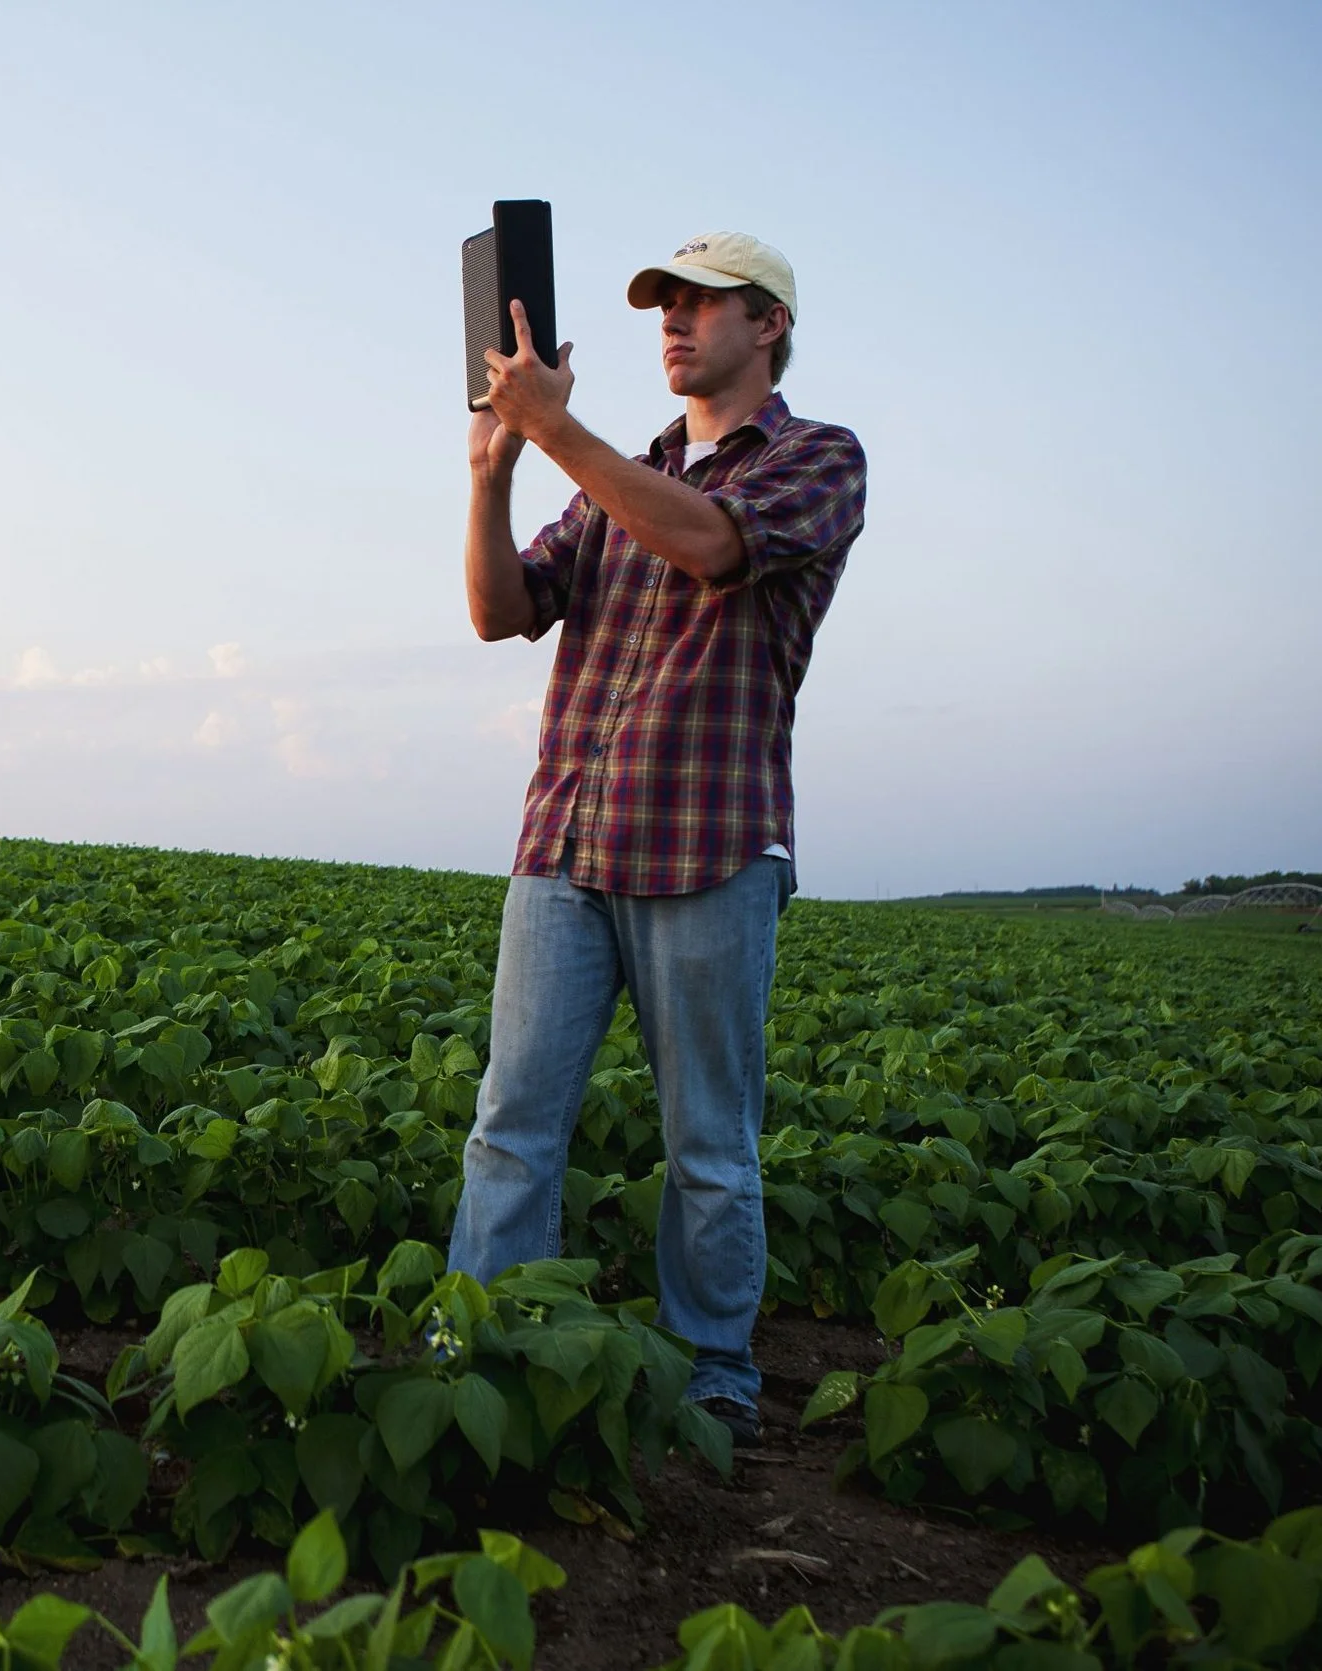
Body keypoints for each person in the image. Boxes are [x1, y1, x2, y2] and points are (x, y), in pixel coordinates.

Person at [452, 232, 867, 1445]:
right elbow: (499, 612)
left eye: (701, 304)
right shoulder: (617, 474)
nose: (674, 324)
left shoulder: (817, 458)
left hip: (708, 848)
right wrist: (491, 474)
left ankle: (712, 1381)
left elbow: (711, 545)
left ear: (768, 325)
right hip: (564, 843)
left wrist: (553, 432)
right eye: (663, 306)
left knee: (708, 1148)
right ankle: (481, 1356)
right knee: (509, 1129)